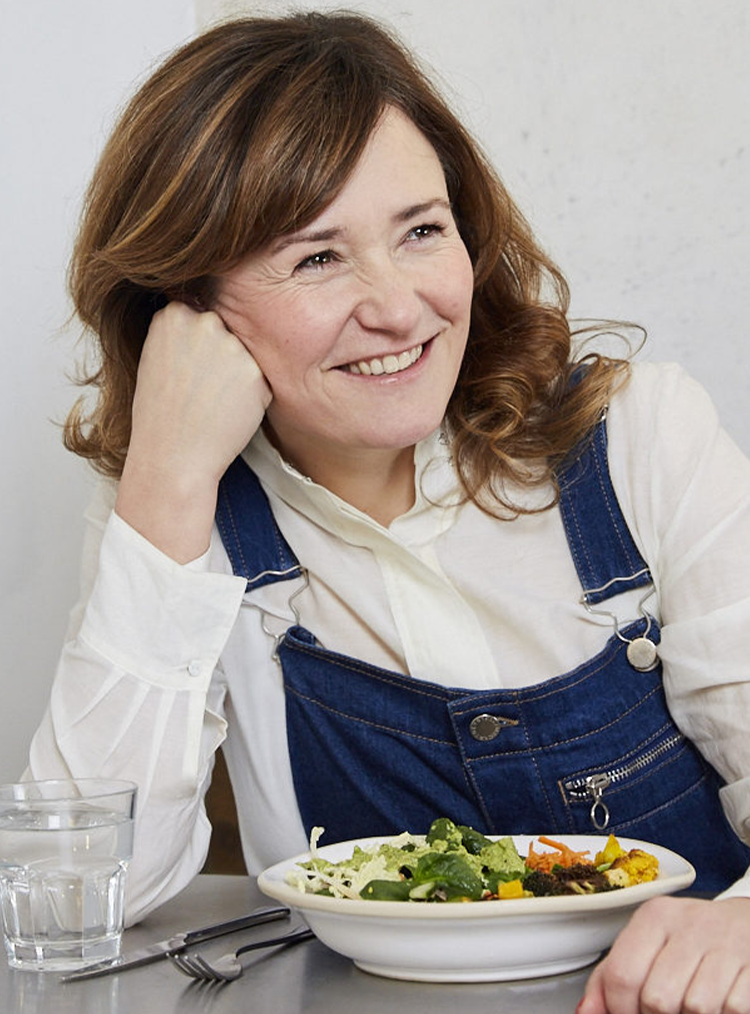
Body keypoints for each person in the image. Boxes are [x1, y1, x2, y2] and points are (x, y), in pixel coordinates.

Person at [26, 11, 750, 1013]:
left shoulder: (637, 439)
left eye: (421, 231)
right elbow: (85, 901)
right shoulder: (177, 511)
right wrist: (165, 486)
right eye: (317, 258)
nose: (401, 308)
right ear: (185, 306)